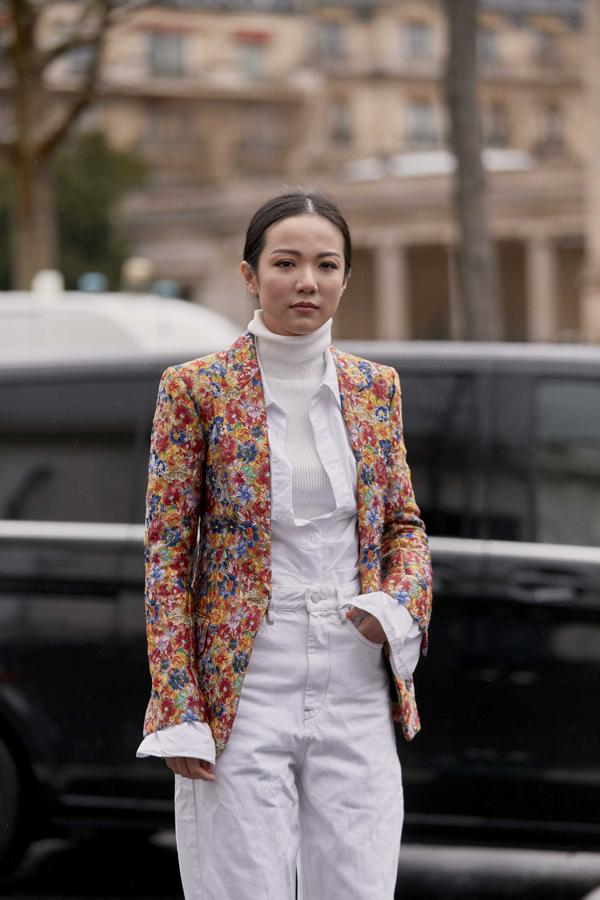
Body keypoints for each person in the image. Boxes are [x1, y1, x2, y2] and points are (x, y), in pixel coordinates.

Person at [136, 190, 433, 900]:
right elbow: (167, 556)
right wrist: (178, 702)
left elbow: (403, 526)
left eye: (326, 265)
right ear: (250, 274)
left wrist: (396, 605)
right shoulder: (196, 389)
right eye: (287, 262)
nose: (308, 280)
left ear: (345, 277)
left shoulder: (374, 388)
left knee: (360, 887)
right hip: (244, 683)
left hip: (355, 677)